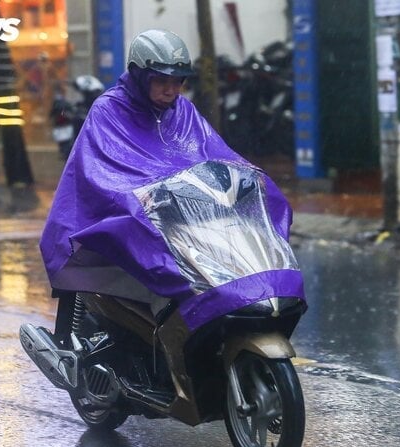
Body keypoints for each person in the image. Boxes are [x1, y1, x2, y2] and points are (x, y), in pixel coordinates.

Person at [39, 29, 298, 330]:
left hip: (179, 216)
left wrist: (244, 181)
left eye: (178, 82)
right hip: (132, 214)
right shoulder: (109, 110)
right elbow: (102, 174)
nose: (170, 90)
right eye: (161, 81)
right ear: (139, 75)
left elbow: (211, 154)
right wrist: (137, 197)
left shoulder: (183, 111)